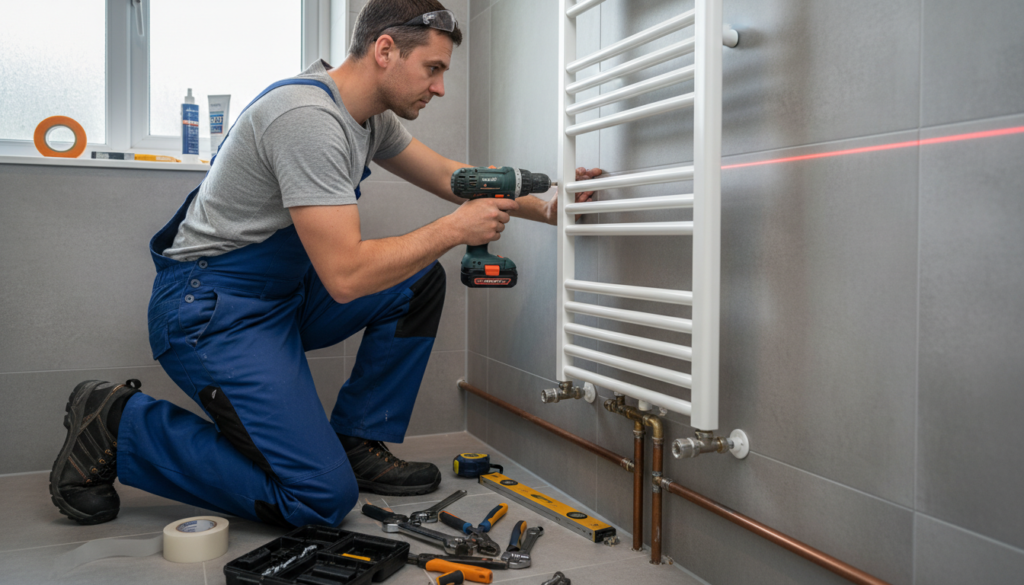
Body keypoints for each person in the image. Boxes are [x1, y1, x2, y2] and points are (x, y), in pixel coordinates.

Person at [49, 0, 601, 528]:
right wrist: (455, 230)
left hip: (279, 299)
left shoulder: (366, 117)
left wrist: (552, 202)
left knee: (416, 280)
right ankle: (120, 424)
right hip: (211, 313)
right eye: (432, 68)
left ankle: (356, 441)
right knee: (319, 499)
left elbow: (450, 178)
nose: (438, 86)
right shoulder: (307, 118)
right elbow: (345, 278)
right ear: (385, 50)